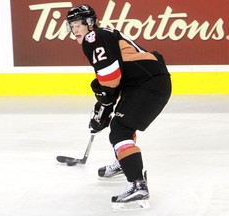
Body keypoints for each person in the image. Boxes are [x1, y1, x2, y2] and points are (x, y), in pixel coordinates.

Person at [66, 4, 172, 208]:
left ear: (90, 23)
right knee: (122, 125)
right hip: (147, 81)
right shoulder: (104, 34)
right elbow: (116, 77)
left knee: (119, 131)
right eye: (72, 25)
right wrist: (104, 105)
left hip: (147, 83)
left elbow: (111, 76)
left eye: (78, 24)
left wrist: (104, 105)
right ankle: (125, 163)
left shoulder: (93, 37)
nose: (75, 29)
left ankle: (138, 185)